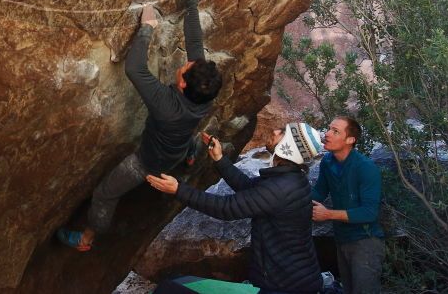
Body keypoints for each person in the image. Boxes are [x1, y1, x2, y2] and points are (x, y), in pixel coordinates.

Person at [56, 0, 222, 251]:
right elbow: (195, 44)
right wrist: (191, 0)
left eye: (185, 68)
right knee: (188, 140)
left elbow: (134, 69)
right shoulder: (206, 90)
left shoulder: (166, 105)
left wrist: (147, 28)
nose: (189, 61)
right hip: (179, 143)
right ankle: (191, 155)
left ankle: (86, 239)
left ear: (182, 83)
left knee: (105, 193)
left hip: (149, 161)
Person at [147, 124, 324, 294]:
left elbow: (226, 208)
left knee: (172, 288)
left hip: (283, 288)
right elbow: (249, 189)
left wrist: (178, 189)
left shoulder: (281, 188)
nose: (276, 130)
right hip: (290, 280)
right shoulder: (291, 179)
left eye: (283, 132)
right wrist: (220, 159)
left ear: (289, 146)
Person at [312, 117, 385, 294]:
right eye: (328, 129)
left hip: (365, 242)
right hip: (341, 239)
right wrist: (288, 195)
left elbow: (369, 213)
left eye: (335, 131)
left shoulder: (365, 167)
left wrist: (328, 214)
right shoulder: (328, 162)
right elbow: (318, 193)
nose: (327, 134)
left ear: (350, 140)